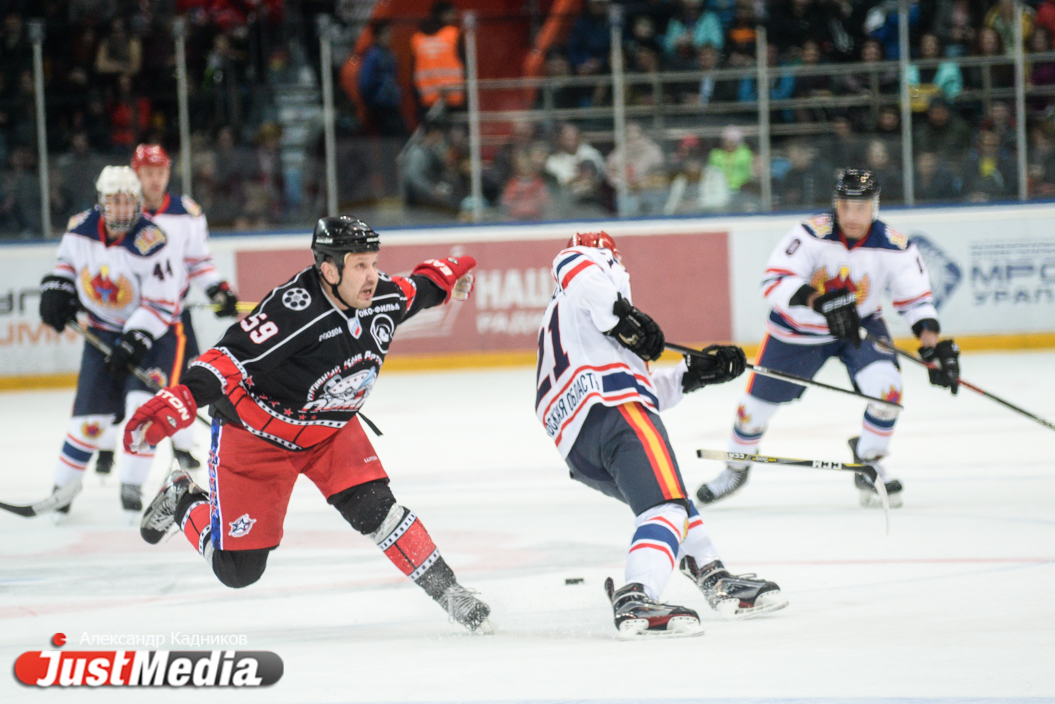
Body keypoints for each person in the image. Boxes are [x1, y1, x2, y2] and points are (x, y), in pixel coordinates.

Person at [124, 216, 491, 632]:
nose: (372, 276)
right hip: (257, 437)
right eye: (359, 266)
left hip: (329, 429)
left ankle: (449, 591)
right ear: (329, 269)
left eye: (373, 263)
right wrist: (185, 397)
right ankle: (183, 498)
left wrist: (444, 283)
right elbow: (228, 359)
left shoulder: (382, 296)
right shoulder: (292, 311)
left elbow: (417, 291)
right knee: (238, 571)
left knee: (377, 511)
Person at [534, 231, 786, 637]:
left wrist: (694, 373)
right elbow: (572, 263)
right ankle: (637, 594)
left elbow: (643, 386)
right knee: (665, 508)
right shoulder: (588, 270)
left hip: (578, 444)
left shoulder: (575, 324)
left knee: (672, 503)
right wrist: (622, 315)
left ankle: (713, 575)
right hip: (615, 413)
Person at [696, 170, 962, 509]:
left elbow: (917, 301)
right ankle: (736, 468)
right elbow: (774, 281)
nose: (852, 216)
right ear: (835, 205)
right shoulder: (811, 234)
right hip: (797, 331)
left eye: (861, 207)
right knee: (752, 412)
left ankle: (868, 459)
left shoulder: (895, 245)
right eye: (845, 207)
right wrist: (819, 301)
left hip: (859, 328)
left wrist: (932, 346)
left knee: (888, 390)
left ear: (875, 207)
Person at [90, 144, 242, 480]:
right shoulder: (119, 210)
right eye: (148, 173)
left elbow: (199, 261)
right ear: (135, 173)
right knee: (114, 377)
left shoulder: (187, 212)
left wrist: (217, 288)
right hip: (124, 315)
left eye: (160, 172)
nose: (155, 180)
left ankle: (182, 445)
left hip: (171, 316)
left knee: (187, 378)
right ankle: (104, 447)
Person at [38, 166, 183, 515]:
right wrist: (57, 289)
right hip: (101, 332)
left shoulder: (152, 240)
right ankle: (63, 488)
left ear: (136, 202)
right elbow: (66, 268)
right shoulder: (80, 229)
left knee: (141, 413)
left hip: (153, 339)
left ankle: (132, 486)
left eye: (127, 201)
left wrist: (136, 337)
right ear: (101, 202)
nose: (120, 209)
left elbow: (163, 302)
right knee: (89, 420)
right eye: (113, 201)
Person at [410, 1, 465, 116]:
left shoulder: (417, 38)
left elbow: (413, 68)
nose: (455, 17)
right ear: (443, 14)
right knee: (457, 131)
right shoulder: (453, 34)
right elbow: (465, 63)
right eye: (452, 13)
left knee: (433, 132)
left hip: (426, 97)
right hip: (453, 96)